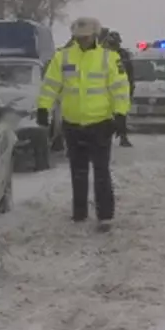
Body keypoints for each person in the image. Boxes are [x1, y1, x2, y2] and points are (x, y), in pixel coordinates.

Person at [37, 17, 131, 232]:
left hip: (100, 123)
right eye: (80, 37)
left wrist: (120, 114)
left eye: (87, 37)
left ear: (95, 35)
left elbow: (120, 88)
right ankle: (79, 212)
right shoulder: (62, 57)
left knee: (101, 171)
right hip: (72, 124)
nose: (83, 40)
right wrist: (43, 108)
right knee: (77, 171)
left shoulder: (109, 57)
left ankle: (105, 215)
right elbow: (50, 85)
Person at [103, 30, 135, 147]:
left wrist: (131, 87)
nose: (114, 45)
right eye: (112, 43)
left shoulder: (124, 55)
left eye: (116, 43)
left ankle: (123, 137)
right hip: (105, 91)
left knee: (121, 116)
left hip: (121, 90)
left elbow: (130, 72)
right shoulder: (102, 54)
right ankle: (106, 138)